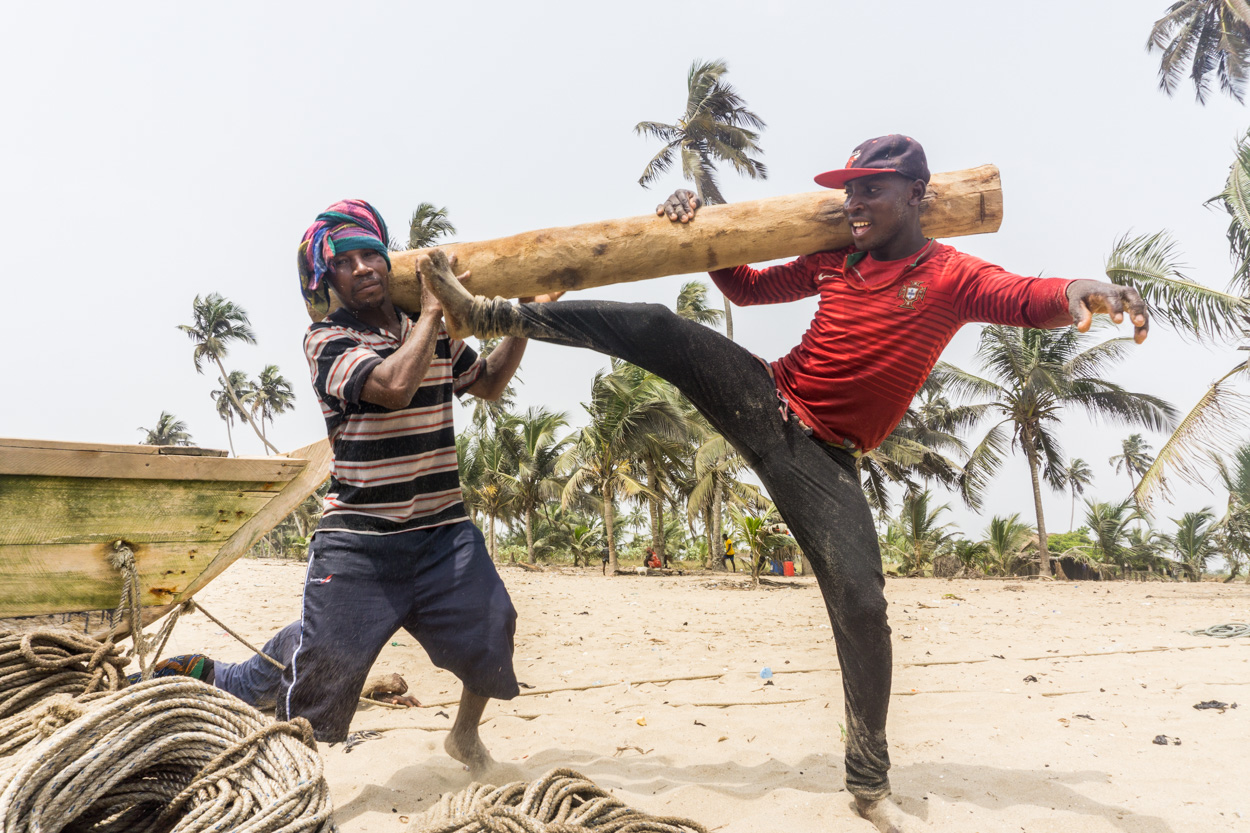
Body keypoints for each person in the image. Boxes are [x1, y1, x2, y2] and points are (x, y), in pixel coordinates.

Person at [418, 135, 1149, 832]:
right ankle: (489, 313)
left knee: (862, 604)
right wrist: (698, 222)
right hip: (765, 399)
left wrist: (1087, 290)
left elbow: (1028, 297)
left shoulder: (949, 275)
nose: (854, 203)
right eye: (849, 191)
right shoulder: (836, 259)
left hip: (824, 462)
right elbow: (747, 284)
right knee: (658, 328)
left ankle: (867, 777)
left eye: (872, 191)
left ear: (918, 195)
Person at [218, 199, 560, 774]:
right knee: (322, 680)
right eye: (345, 263)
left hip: (441, 532)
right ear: (330, 281)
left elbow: (493, 383)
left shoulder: (433, 335)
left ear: (386, 259)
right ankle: (289, 772)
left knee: (493, 626)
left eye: (369, 255)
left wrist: (523, 320)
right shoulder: (326, 340)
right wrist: (435, 314)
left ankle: (464, 736)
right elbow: (395, 386)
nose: (362, 268)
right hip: (360, 541)